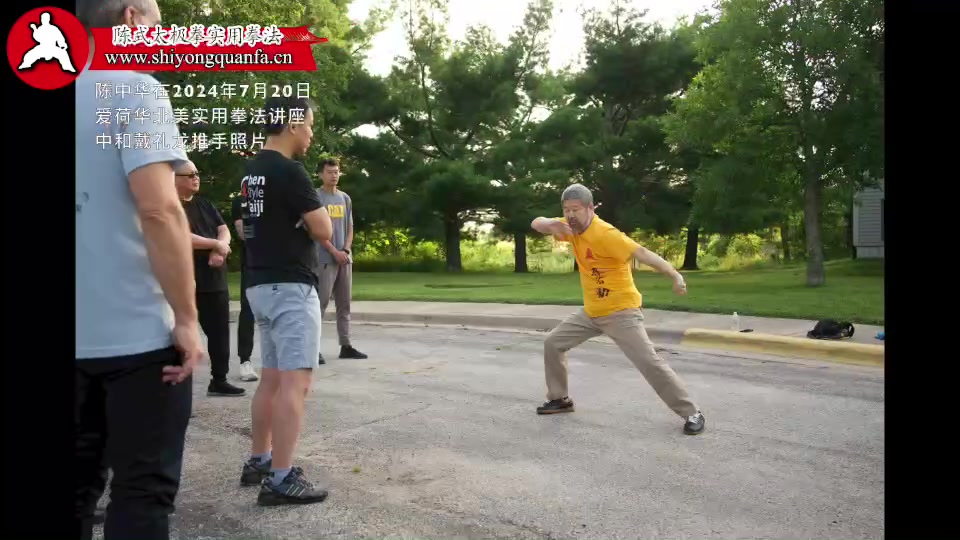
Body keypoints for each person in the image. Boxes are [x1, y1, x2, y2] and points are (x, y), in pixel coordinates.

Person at [76, 1, 203, 538]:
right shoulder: (134, 88)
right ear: (132, 19)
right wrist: (187, 318)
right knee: (141, 495)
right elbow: (159, 209)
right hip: (137, 339)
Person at [529, 183, 706, 435]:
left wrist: (675, 275)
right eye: (566, 209)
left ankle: (692, 412)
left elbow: (642, 253)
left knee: (649, 362)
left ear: (590, 208)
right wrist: (551, 223)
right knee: (553, 343)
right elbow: (536, 223)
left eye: (575, 209)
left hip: (621, 312)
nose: (570, 214)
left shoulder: (606, 234)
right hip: (592, 312)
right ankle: (560, 399)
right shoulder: (570, 228)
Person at [238, 96, 333, 506]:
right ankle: (281, 478)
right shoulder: (290, 171)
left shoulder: (251, 172)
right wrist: (307, 221)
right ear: (293, 125)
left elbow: (247, 226)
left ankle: (260, 459)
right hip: (291, 287)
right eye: (309, 125)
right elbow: (324, 228)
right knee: (297, 382)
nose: (311, 134)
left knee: (272, 379)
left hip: (259, 284)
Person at [175, 160, 246, 396]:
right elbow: (180, 236)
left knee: (219, 332)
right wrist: (215, 245)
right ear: (174, 179)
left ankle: (219, 379)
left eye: (197, 173)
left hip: (213, 278)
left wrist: (220, 249)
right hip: (184, 279)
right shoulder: (170, 206)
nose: (196, 178)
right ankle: (178, 390)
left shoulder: (204, 203)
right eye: (190, 175)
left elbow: (223, 229)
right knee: (180, 337)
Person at [314, 158, 367, 364]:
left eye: (336, 172)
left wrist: (345, 250)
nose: (334, 175)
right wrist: (333, 251)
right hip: (324, 258)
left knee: (344, 304)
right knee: (320, 304)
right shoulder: (316, 197)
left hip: (344, 259)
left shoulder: (345, 198)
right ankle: (313, 349)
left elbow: (350, 226)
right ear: (321, 174)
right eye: (330, 172)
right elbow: (315, 230)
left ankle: (346, 345)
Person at [231, 190, 258, 381]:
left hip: (279, 264)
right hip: (252, 263)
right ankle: (245, 360)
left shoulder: (278, 197)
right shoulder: (241, 202)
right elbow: (244, 234)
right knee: (248, 310)